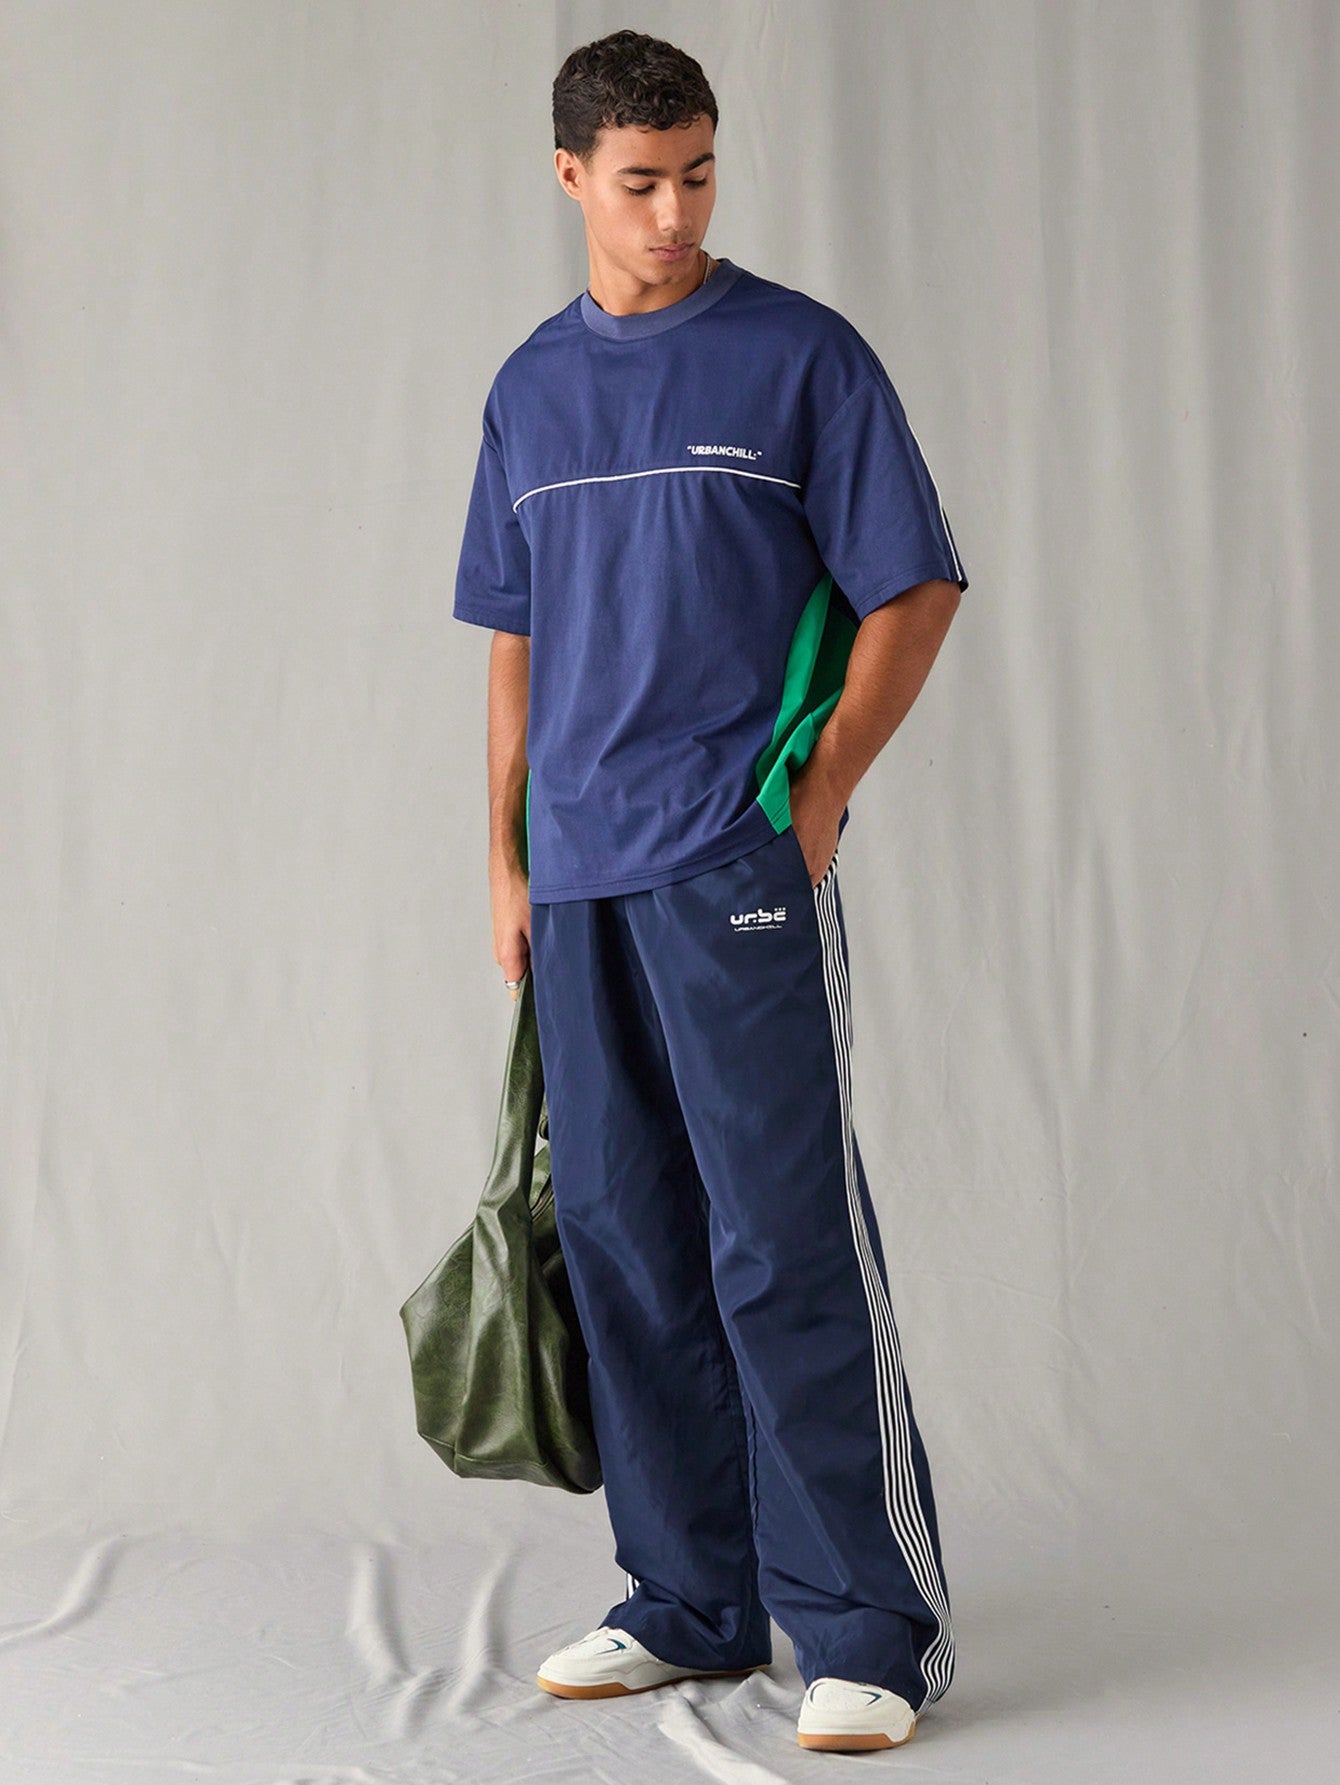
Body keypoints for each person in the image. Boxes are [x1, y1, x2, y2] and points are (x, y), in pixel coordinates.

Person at [452, 27, 969, 1756]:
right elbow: (516, 641)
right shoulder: (529, 388)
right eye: (638, 184)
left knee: (778, 1237)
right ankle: (687, 1595)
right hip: (579, 878)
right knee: (619, 1238)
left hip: (731, 859)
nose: (674, 215)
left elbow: (914, 589)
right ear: (570, 179)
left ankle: (869, 1627)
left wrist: (817, 798)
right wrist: (506, 858)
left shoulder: (801, 356)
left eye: (698, 176)